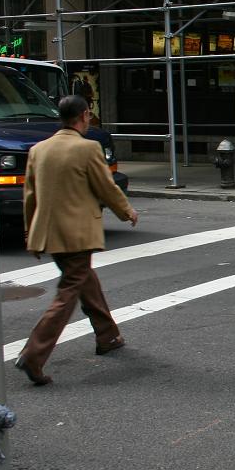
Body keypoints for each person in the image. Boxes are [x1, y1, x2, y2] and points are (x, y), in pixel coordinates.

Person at [15, 95, 138, 386]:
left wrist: (30, 233)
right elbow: (106, 187)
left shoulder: (39, 150)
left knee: (84, 281)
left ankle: (107, 335)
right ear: (84, 116)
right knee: (69, 291)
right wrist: (127, 211)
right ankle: (33, 354)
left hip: (49, 233)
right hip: (77, 234)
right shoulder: (87, 148)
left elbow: (30, 196)